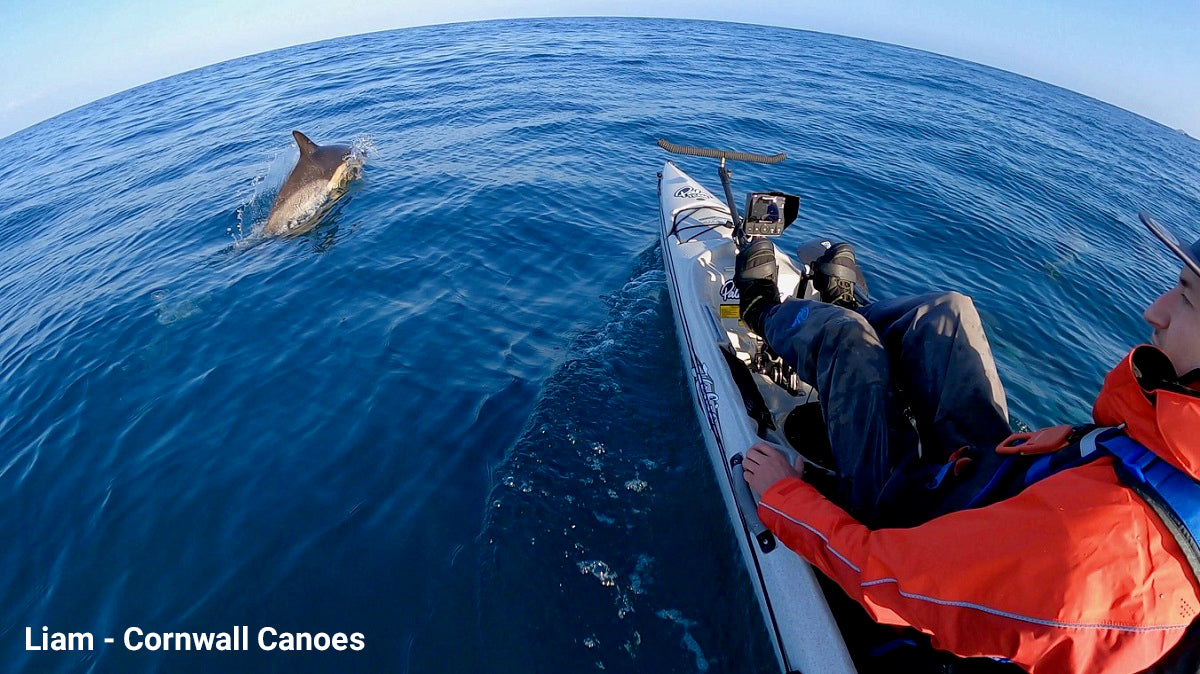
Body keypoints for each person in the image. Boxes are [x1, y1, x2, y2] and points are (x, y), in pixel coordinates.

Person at [735, 215, 1200, 674]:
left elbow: (887, 579)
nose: (1155, 312)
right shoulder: (1168, 446)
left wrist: (785, 498)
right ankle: (852, 309)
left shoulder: (1097, 549)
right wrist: (1072, 443)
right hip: (983, 491)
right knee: (946, 315)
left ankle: (763, 309)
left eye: (1187, 300)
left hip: (907, 536)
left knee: (848, 344)